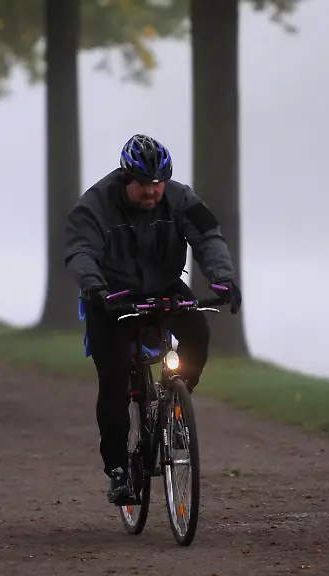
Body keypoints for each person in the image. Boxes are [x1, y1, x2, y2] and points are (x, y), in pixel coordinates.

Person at [64, 133, 243, 505]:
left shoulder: (180, 198)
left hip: (164, 287)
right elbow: (80, 249)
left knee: (197, 332)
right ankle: (117, 470)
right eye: (144, 184)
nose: (152, 192)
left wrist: (223, 278)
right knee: (112, 383)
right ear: (126, 178)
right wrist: (95, 286)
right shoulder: (95, 204)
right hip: (110, 296)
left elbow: (208, 236)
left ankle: (177, 400)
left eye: (158, 183)